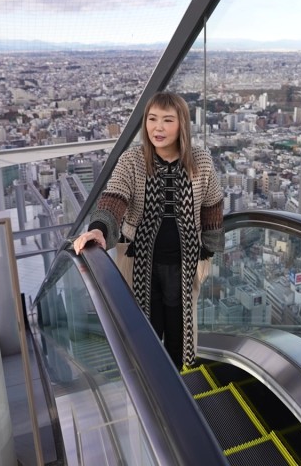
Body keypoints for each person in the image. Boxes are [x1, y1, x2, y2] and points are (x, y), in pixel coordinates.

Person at [72, 91, 224, 370]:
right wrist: (98, 230)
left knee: (180, 326)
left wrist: (209, 251)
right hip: (138, 259)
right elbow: (114, 197)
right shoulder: (133, 160)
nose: (158, 127)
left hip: (185, 261)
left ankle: (177, 380)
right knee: (146, 324)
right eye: (152, 119)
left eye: (168, 120)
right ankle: (151, 380)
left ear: (182, 125)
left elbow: (212, 203)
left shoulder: (200, 161)